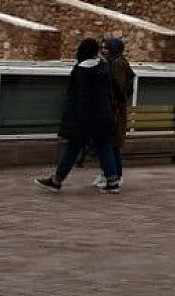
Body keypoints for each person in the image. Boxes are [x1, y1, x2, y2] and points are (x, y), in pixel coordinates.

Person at [36, 38, 121, 193]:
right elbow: (116, 91)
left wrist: (77, 121)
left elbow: (81, 98)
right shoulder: (104, 67)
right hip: (104, 116)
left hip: (86, 118)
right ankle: (112, 181)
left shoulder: (81, 71)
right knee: (104, 147)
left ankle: (57, 180)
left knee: (72, 147)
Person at [81, 36, 135, 187]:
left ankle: (114, 174)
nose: (104, 51)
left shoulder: (117, 65)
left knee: (111, 144)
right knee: (110, 144)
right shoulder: (112, 63)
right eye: (102, 48)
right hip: (113, 110)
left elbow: (116, 89)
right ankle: (108, 173)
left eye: (107, 48)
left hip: (114, 111)